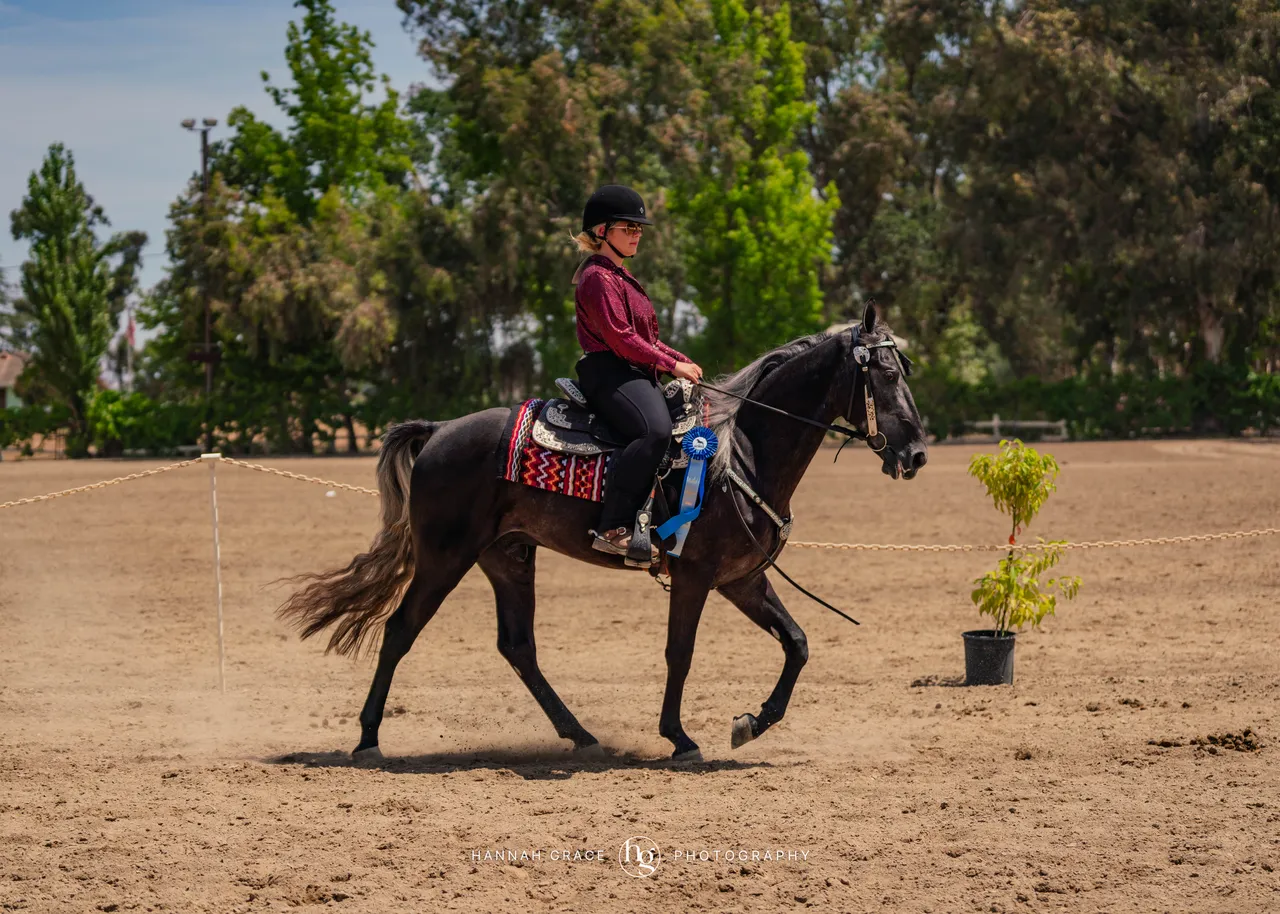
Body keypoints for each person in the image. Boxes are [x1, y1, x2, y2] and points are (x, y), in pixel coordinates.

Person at [570, 185, 704, 558]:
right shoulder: (598, 277)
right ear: (601, 231)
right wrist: (672, 365)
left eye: (639, 229)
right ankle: (613, 527)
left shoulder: (622, 277)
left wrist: (680, 359)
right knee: (654, 430)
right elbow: (621, 338)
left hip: (631, 370)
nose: (636, 234)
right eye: (627, 227)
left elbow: (646, 338)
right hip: (609, 371)